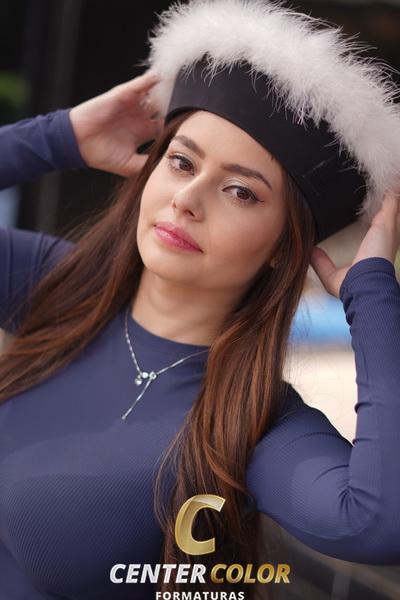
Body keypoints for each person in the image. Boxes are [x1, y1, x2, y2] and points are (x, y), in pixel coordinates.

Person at [0, 0, 400, 598]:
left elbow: (378, 524)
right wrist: (55, 138)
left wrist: (373, 296)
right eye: (182, 161)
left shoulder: (253, 424)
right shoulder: (59, 285)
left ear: (282, 246)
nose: (187, 199)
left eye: (240, 191)